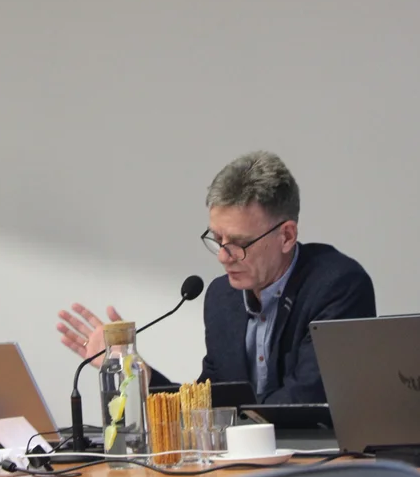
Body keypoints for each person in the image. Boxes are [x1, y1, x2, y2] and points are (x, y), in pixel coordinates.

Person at [58, 150, 376, 404]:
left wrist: (229, 424)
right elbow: (210, 405)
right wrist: (141, 376)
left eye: (239, 243)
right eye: (217, 239)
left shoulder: (337, 286)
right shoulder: (223, 298)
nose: (223, 256)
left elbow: (306, 399)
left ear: (287, 236)